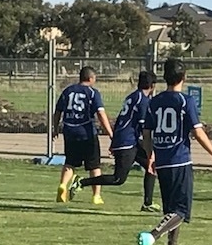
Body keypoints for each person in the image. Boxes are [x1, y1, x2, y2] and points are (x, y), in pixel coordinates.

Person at [136, 59, 212, 245]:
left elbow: (147, 133)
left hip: (163, 160)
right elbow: (197, 132)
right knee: (181, 210)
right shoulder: (185, 101)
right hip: (180, 160)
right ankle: (151, 236)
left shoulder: (154, 101)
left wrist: (150, 155)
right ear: (184, 77)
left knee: (171, 209)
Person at [68, 71, 159, 212]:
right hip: (127, 142)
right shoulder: (143, 101)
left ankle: (148, 203)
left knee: (151, 166)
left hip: (130, 140)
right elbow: (144, 129)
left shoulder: (133, 97)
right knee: (118, 179)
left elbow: (122, 120)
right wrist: (150, 149)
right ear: (153, 86)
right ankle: (81, 182)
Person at [52, 66, 113, 204]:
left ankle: (63, 185)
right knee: (94, 166)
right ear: (91, 78)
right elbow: (100, 114)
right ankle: (96, 195)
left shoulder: (68, 91)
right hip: (87, 133)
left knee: (70, 163)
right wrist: (110, 133)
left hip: (69, 131)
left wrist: (55, 128)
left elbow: (58, 111)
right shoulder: (92, 93)